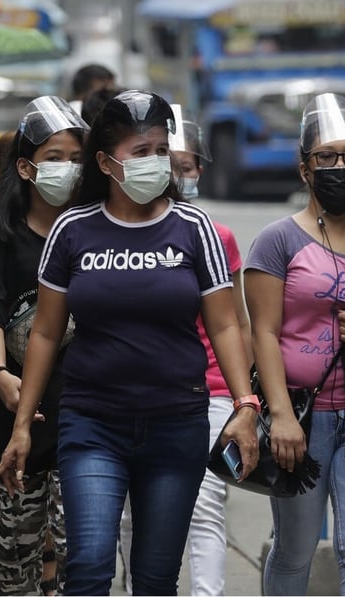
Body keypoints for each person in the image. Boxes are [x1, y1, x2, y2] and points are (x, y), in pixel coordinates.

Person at [0, 90, 259, 595]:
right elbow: (46, 331)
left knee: (156, 580)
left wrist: (245, 404)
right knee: (89, 566)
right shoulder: (72, 229)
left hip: (177, 424)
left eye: (161, 150)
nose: (156, 163)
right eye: (141, 152)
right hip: (93, 424)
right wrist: (22, 424)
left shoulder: (194, 229)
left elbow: (226, 325)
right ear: (105, 163)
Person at [246, 93, 345, 595]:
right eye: (326, 157)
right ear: (304, 169)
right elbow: (264, 334)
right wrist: (281, 416)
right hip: (301, 420)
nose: (340, 167)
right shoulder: (277, 242)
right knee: (293, 551)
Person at [116, 105, 252, 596]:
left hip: (208, 390)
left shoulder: (218, 237)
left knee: (205, 504)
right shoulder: (112, 233)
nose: (174, 174)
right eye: (161, 162)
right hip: (134, 392)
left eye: (185, 166)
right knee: (133, 513)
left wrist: (245, 401)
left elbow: (236, 322)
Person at [0, 96, 88, 597]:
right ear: (26, 167)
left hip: (83, 406)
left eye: (77, 158)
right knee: (14, 560)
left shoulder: (95, 229)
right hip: (14, 412)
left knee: (83, 549)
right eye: (54, 157)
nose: (66, 169)